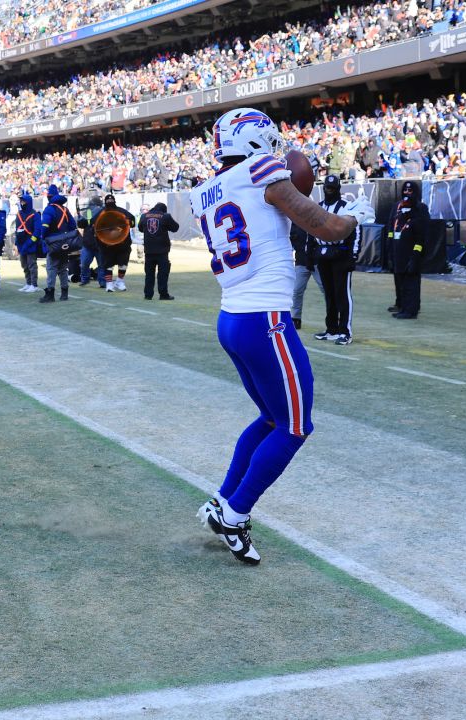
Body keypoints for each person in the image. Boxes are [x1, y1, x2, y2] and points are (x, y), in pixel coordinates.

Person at [190, 108, 357, 565]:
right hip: (265, 318)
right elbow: (321, 224)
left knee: (269, 417)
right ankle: (234, 512)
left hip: (232, 318)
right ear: (255, 142)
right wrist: (351, 220)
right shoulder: (261, 168)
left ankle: (223, 500)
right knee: (295, 426)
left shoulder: (204, 190)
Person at [311, 175, 375, 345]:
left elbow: (356, 231)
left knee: (342, 294)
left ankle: (345, 331)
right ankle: (331, 329)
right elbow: (311, 231)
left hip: (340, 255)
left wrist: (352, 256)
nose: (329, 191)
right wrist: (312, 254)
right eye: (327, 188)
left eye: (332, 188)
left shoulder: (346, 207)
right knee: (329, 295)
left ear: (338, 189)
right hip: (323, 255)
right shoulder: (319, 207)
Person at [389, 180, 429, 319]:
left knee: (411, 281)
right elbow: (392, 226)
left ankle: (411, 310)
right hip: (399, 249)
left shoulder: (420, 209)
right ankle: (403, 306)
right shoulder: (398, 208)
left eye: (410, 191)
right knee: (401, 280)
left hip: (413, 250)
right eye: (405, 191)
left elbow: (422, 234)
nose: (406, 194)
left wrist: (417, 253)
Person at [39, 184, 79, 303]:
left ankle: (50, 293)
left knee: (51, 268)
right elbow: (72, 226)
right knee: (63, 268)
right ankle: (64, 293)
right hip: (65, 243)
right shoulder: (65, 209)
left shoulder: (49, 209)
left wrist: (43, 238)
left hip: (53, 243)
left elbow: (44, 226)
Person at [89, 194, 136, 292]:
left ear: (114, 201)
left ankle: (120, 281)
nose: (110, 203)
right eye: (108, 201)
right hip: (107, 245)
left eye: (111, 201)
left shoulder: (122, 211)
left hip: (123, 244)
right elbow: (91, 223)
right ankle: (109, 284)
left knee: (123, 264)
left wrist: (129, 222)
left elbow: (132, 220)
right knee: (108, 265)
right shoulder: (100, 213)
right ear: (105, 203)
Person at [287, 206, 323, 331]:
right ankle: (295, 318)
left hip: (318, 262)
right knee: (296, 290)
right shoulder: (295, 224)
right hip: (301, 262)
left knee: (326, 290)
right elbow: (290, 239)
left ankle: (335, 320)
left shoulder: (318, 223)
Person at [137, 202, 179, 300]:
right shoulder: (165, 216)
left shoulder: (144, 216)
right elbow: (175, 228)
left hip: (149, 250)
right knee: (163, 274)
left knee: (149, 274)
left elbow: (140, 228)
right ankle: (163, 294)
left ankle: (148, 295)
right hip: (162, 251)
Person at [13, 191, 44, 293]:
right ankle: (28, 283)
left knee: (32, 265)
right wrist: (16, 243)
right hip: (22, 244)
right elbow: (17, 229)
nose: (22, 203)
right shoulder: (19, 214)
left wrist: (30, 242)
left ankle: (34, 285)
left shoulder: (35, 215)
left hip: (30, 244)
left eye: (23, 201)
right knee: (24, 265)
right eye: (21, 201)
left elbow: (37, 231)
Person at [76, 193, 105, 287]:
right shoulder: (89, 212)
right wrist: (80, 218)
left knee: (100, 264)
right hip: (89, 243)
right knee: (85, 263)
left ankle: (102, 282)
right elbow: (81, 224)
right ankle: (85, 279)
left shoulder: (104, 213)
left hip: (99, 244)